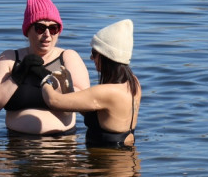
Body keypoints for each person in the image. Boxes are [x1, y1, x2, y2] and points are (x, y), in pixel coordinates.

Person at [0, 0, 90, 134]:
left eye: (53, 28)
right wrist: (18, 76)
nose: (47, 34)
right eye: (40, 28)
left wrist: (47, 77)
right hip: (16, 146)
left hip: (62, 145)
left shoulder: (68, 57)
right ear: (28, 30)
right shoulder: (9, 58)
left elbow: (86, 105)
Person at [40, 19, 141, 149]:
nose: (91, 58)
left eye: (94, 53)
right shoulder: (133, 83)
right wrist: (69, 90)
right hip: (127, 161)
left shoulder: (106, 92)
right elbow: (98, 113)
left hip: (108, 164)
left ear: (107, 57)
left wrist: (46, 81)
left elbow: (53, 101)